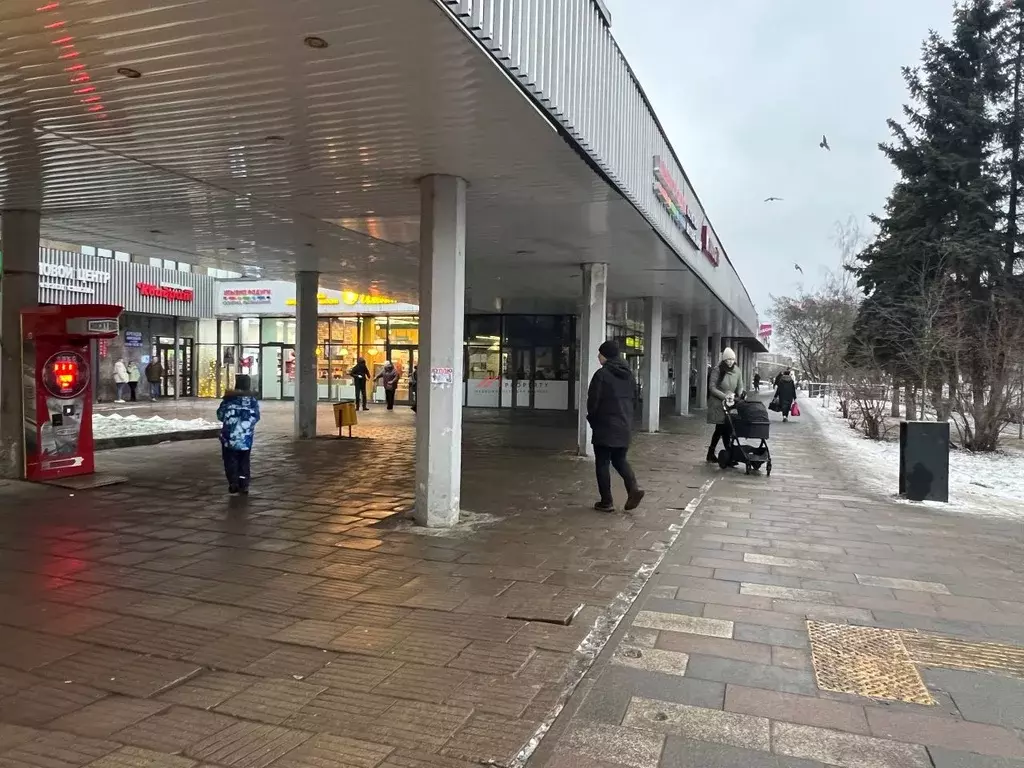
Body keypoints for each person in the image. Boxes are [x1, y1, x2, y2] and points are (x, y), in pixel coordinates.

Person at [587, 340, 645, 513]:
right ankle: (633, 489)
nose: (598, 357)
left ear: (606, 355)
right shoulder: (629, 375)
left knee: (602, 462)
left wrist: (593, 420)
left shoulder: (601, 375)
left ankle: (606, 502)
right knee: (620, 459)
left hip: (605, 425)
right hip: (624, 424)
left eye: (600, 354)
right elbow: (635, 400)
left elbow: (593, 402)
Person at [216, 374, 261, 495]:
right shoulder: (252, 401)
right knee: (244, 461)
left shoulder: (229, 399)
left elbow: (220, 415)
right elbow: (256, 417)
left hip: (229, 437)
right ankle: (244, 484)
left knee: (230, 460)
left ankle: (233, 482)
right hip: (246, 438)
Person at [706, 347, 745, 463]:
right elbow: (712, 387)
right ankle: (722, 453)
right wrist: (724, 396)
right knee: (721, 427)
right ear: (724, 360)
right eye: (728, 359)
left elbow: (740, 385)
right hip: (718, 402)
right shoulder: (717, 370)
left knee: (726, 428)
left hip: (731, 402)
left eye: (732, 359)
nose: (730, 362)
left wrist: (741, 394)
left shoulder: (737, 371)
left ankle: (720, 453)